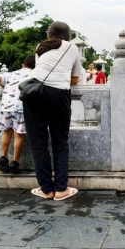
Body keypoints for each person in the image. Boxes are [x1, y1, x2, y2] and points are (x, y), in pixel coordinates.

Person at [23, 21, 82, 200]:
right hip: (58, 95)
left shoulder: (41, 46)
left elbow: (40, 70)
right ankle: (61, 189)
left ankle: (46, 189)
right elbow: (75, 79)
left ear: (50, 34)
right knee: (59, 141)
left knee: (38, 142)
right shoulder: (72, 47)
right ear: (68, 34)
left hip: (33, 92)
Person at [0, 55, 35, 174]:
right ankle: (15, 162)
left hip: (6, 106)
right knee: (18, 135)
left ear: (23, 65)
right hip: (21, 107)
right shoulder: (34, 75)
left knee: (7, 132)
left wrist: (5, 87)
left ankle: (3, 157)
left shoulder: (12, 73)